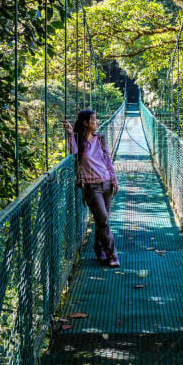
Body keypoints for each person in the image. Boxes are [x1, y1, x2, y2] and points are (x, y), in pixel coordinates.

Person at [63, 110, 120, 268]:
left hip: (106, 183)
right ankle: (112, 255)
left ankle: (98, 248)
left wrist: (114, 180)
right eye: (94, 120)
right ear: (86, 123)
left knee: (102, 221)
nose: (97, 122)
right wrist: (70, 134)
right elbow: (73, 153)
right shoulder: (79, 141)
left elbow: (108, 160)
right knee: (103, 219)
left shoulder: (100, 139)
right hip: (91, 186)